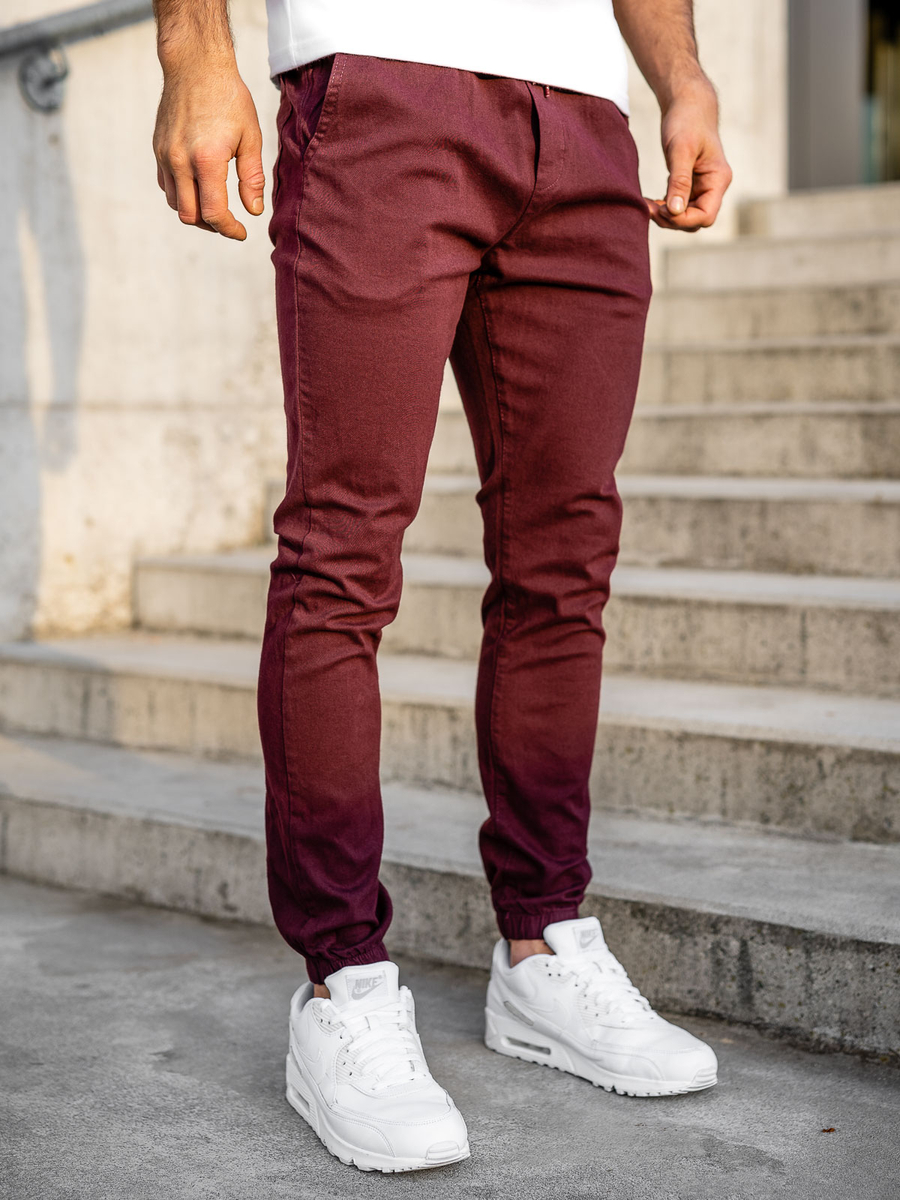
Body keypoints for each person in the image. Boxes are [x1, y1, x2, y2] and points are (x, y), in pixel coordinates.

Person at [152, 0, 732, 1174]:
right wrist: (195, 52)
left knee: (564, 561)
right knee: (342, 555)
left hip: (584, 121)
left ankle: (545, 945)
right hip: (379, 83)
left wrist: (683, 77)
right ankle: (344, 985)